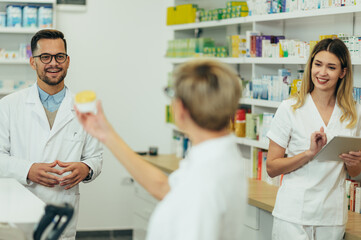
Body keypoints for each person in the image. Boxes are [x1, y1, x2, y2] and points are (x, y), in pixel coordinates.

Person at [75, 59, 247, 240]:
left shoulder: (204, 182)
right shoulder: (217, 155)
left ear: (181, 108)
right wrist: (106, 135)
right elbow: (165, 187)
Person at [0, 29, 103, 240]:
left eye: (59, 56)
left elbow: (96, 158)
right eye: (45, 57)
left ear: (67, 61)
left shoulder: (86, 108)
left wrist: (86, 168)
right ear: (33, 62)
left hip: (62, 213)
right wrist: (28, 170)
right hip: (18, 214)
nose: (53, 63)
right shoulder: (9, 105)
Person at [266, 38, 361, 240]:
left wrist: (355, 163)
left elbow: (353, 173)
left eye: (331, 67)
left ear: (343, 72)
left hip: (331, 217)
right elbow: (272, 168)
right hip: (293, 214)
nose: (322, 73)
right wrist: (309, 154)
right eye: (318, 65)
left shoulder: (353, 114)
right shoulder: (290, 108)